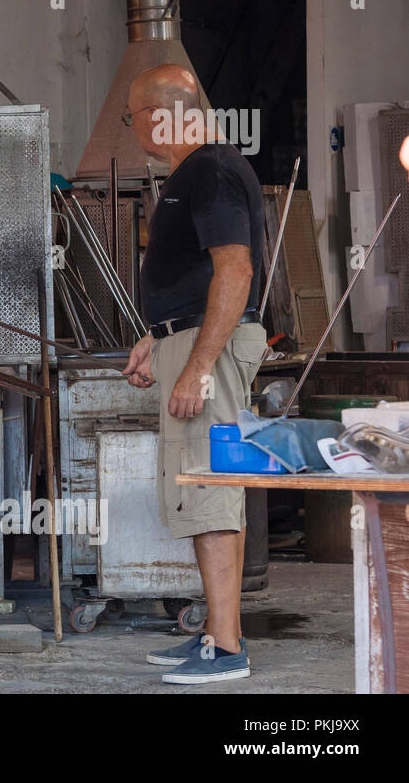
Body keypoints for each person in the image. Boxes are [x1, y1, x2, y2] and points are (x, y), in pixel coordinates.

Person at [120, 64, 267, 684]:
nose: (135, 131)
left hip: (210, 350)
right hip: (189, 341)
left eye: (133, 119)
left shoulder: (210, 169)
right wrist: (159, 340)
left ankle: (227, 649)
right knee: (205, 489)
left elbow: (235, 271)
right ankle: (215, 634)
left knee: (209, 491)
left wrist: (199, 364)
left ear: (158, 116)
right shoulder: (196, 173)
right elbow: (198, 280)